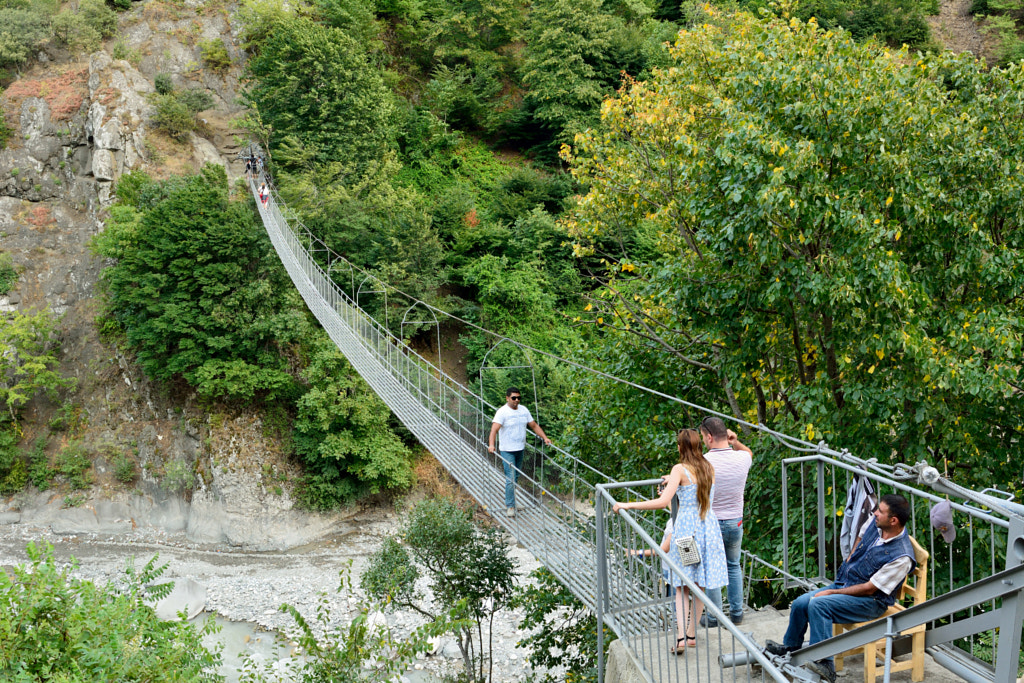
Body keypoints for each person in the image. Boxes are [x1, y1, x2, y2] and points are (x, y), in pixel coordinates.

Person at [765, 494, 915, 683]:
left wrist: (832, 592)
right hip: (848, 583)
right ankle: (791, 649)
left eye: (881, 511)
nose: (875, 513)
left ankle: (826, 665)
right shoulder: (878, 523)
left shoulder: (902, 557)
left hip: (871, 602)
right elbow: (861, 534)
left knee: (819, 606)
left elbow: (870, 589)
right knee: (800, 603)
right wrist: (851, 557)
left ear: (893, 520)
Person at [613, 429, 728, 654]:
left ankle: (680, 639)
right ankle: (692, 635)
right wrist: (672, 482)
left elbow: (663, 501)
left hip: (686, 533)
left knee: (681, 586)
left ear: (680, 447)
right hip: (709, 529)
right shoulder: (708, 467)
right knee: (699, 585)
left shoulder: (679, 469)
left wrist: (628, 505)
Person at [698, 416, 752, 627]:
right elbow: (748, 452)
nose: (703, 441)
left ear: (710, 437)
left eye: (703, 437)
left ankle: (714, 618)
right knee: (733, 565)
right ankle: (737, 614)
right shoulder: (742, 459)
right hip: (735, 521)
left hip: (712, 523)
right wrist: (735, 441)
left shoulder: (703, 462)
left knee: (712, 568)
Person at [487, 387, 551, 518]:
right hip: (507, 450)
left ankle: (513, 503)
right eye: (513, 398)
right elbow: (494, 430)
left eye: (518, 398)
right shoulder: (502, 412)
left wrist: (545, 438)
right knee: (510, 479)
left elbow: (533, 425)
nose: (516, 400)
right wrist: (491, 445)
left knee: (515, 477)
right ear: (507, 398)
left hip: (520, 449)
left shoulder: (524, 410)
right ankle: (510, 506)